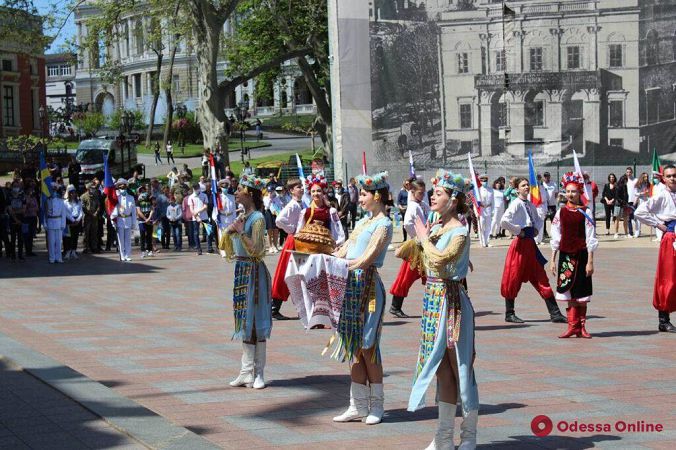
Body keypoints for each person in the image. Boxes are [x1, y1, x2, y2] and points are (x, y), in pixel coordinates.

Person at [396, 169, 479, 450]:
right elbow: (406, 254)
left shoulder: (459, 232)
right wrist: (419, 235)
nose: (433, 196)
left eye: (439, 193)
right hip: (433, 302)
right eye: (433, 192)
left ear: (453, 200)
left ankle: (468, 435)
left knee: (461, 369)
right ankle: (444, 436)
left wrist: (424, 238)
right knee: (441, 369)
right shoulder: (438, 228)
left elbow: (442, 262)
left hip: (452, 304)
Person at [332, 171, 393, 426]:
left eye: (365, 194)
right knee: (354, 347)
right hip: (351, 285)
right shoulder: (363, 222)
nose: (360, 199)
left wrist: (345, 264)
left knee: (369, 348)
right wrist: (329, 256)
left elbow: (368, 257)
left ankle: (376, 405)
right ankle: (356, 405)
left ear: (377, 196)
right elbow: (346, 247)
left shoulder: (384, 224)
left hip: (368, 286)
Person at [223, 173, 273, 389]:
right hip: (242, 269)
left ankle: (258, 372)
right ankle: (245, 372)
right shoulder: (243, 216)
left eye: (240, 189)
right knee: (244, 319)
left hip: (254, 271)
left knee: (256, 320)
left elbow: (258, 251)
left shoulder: (258, 218)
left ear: (250, 194)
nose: (236, 192)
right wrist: (230, 231)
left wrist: (241, 232)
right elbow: (229, 247)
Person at [500, 177, 566, 324]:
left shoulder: (529, 204)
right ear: (517, 189)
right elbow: (504, 221)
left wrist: (536, 229)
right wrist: (519, 231)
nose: (526, 187)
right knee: (513, 276)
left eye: (527, 185)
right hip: (520, 247)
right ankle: (509, 313)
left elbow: (537, 219)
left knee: (540, 276)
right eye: (523, 185)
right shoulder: (516, 204)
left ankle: (555, 313)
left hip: (530, 245)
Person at [550, 173, 598, 339]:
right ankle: (572, 326)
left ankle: (582, 327)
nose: (570, 194)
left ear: (580, 193)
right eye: (568, 191)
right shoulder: (560, 213)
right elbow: (556, 235)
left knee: (581, 293)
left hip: (582, 255)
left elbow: (591, 236)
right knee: (569, 292)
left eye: (574, 192)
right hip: (566, 256)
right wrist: (553, 259)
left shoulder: (586, 212)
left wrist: (590, 261)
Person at [635, 164, 676, 333]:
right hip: (670, 238)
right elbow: (640, 212)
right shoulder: (661, 195)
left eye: (675, 175)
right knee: (668, 278)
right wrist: (658, 224)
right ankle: (663, 319)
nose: (673, 178)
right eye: (669, 176)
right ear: (664, 178)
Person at [389, 177, 429, 318]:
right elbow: (407, 224)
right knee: (406, 276)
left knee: (428, 275)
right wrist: (416, 238)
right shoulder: (413, 206)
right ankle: (395, 306)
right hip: (417, 247)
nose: (422, 195)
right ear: (412, 191)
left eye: (423, 192)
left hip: (423, 245)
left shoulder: (420, 204)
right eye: (420, 192)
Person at [271, 178, 304, 320]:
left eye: (301, 186)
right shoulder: (292, 205)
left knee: (299, 274)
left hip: (299, 241)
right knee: (286, 272)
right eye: (298, 187)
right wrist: (292, 229)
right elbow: (279, 220)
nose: (301, 189)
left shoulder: (301, 203)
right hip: (294, 241)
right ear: (291, 191)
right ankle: (274, 307)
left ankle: (303, 308)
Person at [110, 179, 138, 262]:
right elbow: (113, 209)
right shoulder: (116, 197)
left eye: (124, 186)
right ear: (118, 187)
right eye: (121, 186)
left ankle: (128, 255)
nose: (122, 188)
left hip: (128, 219)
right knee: (121, 239)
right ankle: (122, 255)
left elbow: (133, 211)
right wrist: (113, 220)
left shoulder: (131, 197)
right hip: (120, 219)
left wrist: (134, 222)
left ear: (126, 187)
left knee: (128, 239)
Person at [45, 184, 68, 263]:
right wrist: (45, 223)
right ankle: (52, 258)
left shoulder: (61, 201)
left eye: (55, 190)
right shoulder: (47, 201)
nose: (54, 192)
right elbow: (44, 213)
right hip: (50, 222)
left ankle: (58, 258)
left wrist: (63, 224)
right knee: (51, 242)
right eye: (52, 190)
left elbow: (63, 213)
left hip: (58, 221)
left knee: (58, 242)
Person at [6, 180, 26, 261]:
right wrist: (16, 218)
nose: (16, 188)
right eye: (14, 186)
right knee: (13, 238)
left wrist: (16, 211)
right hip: (12, 220)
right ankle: (13, 255)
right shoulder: (9, 195)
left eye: (17, 186)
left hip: (21, 219)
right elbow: (9, 210)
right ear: (12, 187)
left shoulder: (22, 195)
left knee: (21, 239)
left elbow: (24, 209)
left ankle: (20, 255)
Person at [63, 185, 83, 260]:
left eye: (74, 193)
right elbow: (66, 213)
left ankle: (74, 251)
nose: (72, 194)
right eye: (71, 193)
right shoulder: (65, 202)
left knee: (75, 236)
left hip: (77, 220)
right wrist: (73, 220)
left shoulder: (78, 202)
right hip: (69, 221)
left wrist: (78, 219)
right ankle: (68, 251)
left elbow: (81, 211)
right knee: (68, 237)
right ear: (68, 193)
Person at [188, 182, 208, 255]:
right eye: (195, 188)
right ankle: (199, 249)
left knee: (209, 232)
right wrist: (196, 216)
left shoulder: (204, 195)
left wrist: (198, 212)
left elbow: (205, 206)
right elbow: (191, 209)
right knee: (196, 233)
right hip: (195, 218)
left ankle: (209, 247)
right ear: (193, 189)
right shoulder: (191, 197)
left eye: (198, 188)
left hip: (204, 216)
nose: (197, 189)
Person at [80, 182, 100, 253]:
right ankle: (86, 247)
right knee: (86, 233)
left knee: (94, 233)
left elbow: (98, 205)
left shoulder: (96, 195)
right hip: (87, 218)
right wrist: (91, 214)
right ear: (88, 188)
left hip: (94, 218)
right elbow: (83, 207)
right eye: (91, 188)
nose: (93, 189)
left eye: (94, 188)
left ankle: (94, 247)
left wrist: (96, 212)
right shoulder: (83, 196)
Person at [478, 174, 493, 247]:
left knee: (488, 226)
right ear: (480, 181)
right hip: (481, 209)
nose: (485, 182)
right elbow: (476, 202)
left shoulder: (490, 189)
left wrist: (493, 211)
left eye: (486, 181)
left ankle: (487, 241)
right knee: (481, 225)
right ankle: (482, 241)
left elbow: (493, 201)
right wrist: (476, 211)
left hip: (489, 209)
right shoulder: (478, 190)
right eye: (483, 181)